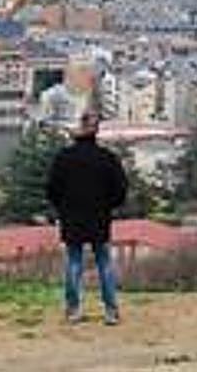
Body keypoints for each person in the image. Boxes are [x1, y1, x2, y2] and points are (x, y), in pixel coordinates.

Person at [45, 110, 128, 325]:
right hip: (100, 216)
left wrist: (61, 209)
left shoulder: (64, 157)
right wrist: (109, 206)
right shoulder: (108, 158)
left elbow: (52, 189)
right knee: (104, 262)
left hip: (72, 216)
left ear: (79, 129)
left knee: (74, 261)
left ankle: (73, 310)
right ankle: (111, 311)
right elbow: (120, 189)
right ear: (97, 131)